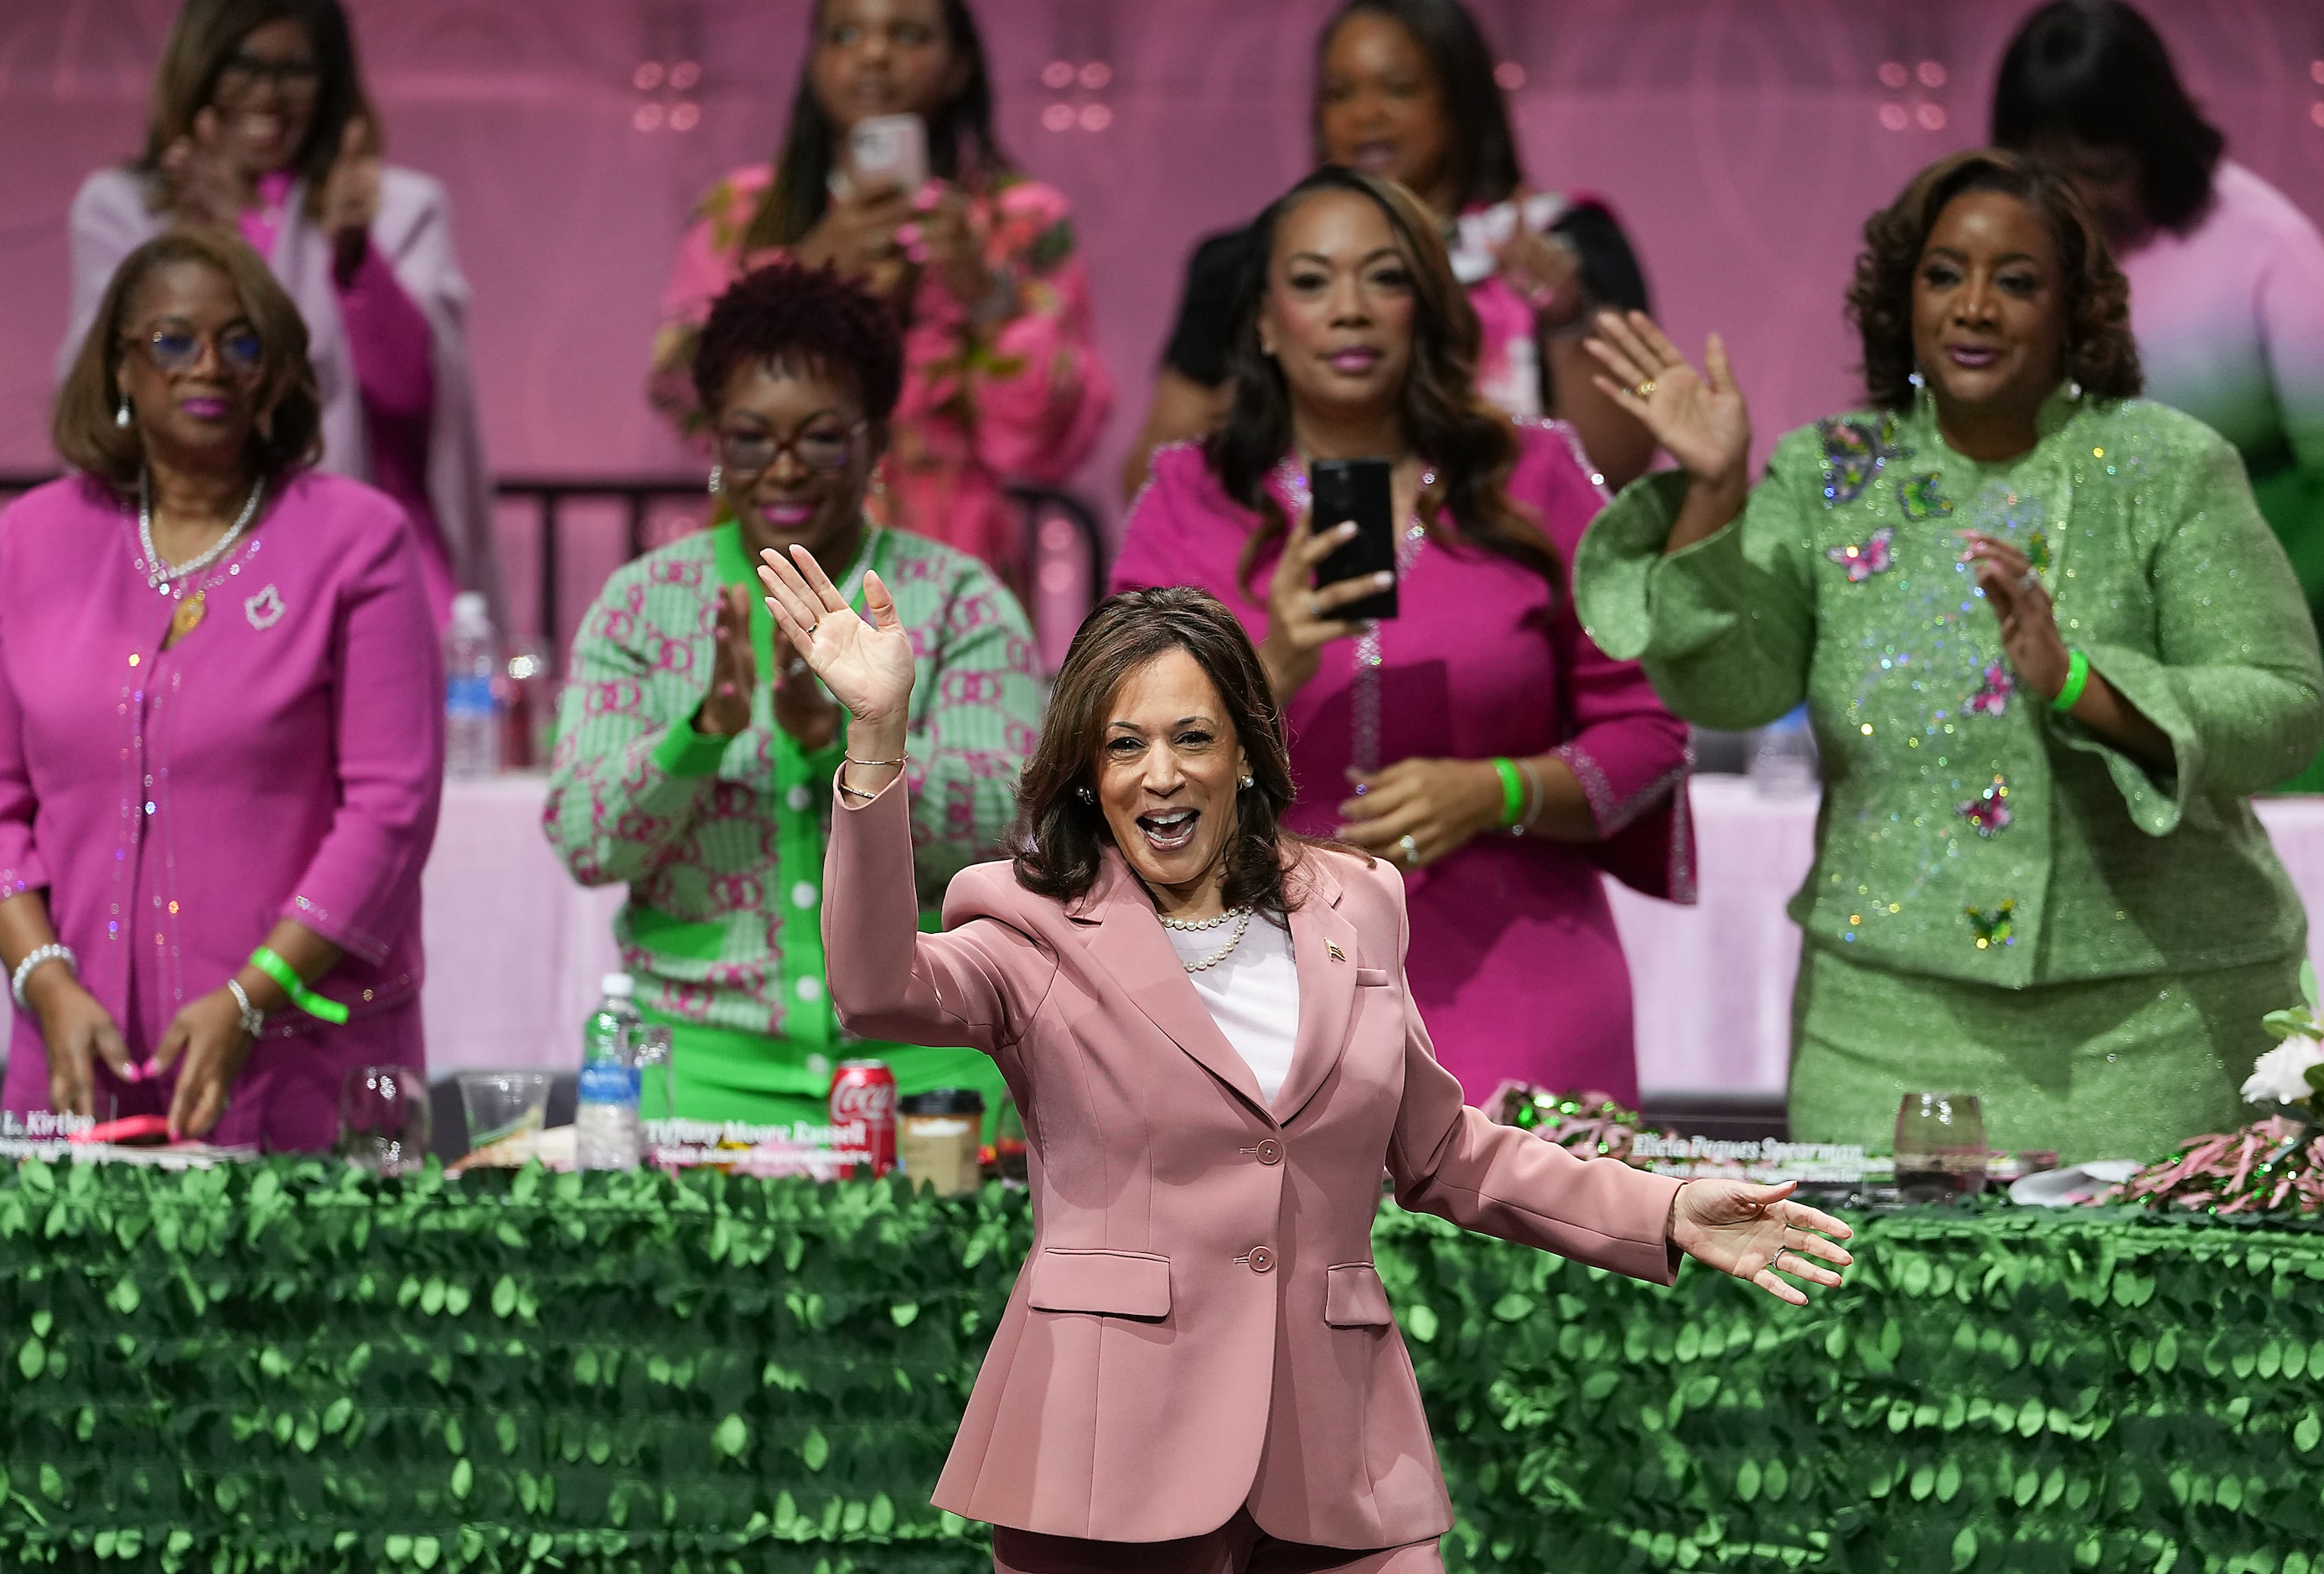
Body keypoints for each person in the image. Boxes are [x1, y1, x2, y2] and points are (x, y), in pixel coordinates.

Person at [763, 557, 1850, 1570]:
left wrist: (1663, 1209)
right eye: (1123, 745)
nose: (1160, 775)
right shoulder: (1029, 924)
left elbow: (1443, 1151)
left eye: (1191, 736)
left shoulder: (1354, 902)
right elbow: (874, 985)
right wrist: (875, 736)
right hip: (1109, 1455)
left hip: (1338, 1457)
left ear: (1244, 749)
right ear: (1087, 774)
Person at [1574, 148, 2324, 1162]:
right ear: (1903, 297)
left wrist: (2080, 685)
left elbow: (2282, 707)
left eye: (2015, 281)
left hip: (2158, 1024)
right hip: (1886, 1032)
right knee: (1891, 1323)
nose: (1973, 306)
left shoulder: (2168, 467)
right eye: (1943, 275)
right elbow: (1730, 685)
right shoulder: (1830, 470)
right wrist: (1711, 489)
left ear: (2072, 311)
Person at [1113, 168, 1690, 1109]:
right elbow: (1113, 752)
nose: (1349, 310)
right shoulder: (1187, 497)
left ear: (1426, 308)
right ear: (1261, 321)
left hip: (1519, 989)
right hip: (1244, 989)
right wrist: (1270, 666)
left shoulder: (1535, 475)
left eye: (1383, 279)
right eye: (1310, 283)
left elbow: (1647, 735)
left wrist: (1494, 789)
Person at [0, 227, 442, 1149]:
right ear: (119, 368)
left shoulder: (357, 540)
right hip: (76, 1058)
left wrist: (250, 996)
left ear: (275, 372)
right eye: (174, 341)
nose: (210, 366)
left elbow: (392, 808)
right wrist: (47, 983)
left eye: (243, 341)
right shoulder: (32, 540)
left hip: (305, 1059)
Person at [549, 261, 1040, 1127]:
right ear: (713, 443)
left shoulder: (956, 600)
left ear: (875, 443)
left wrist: (859, 747)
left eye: (820, 437)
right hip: (696, 1079)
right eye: (749, 438)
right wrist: (698, 736)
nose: (782, 468)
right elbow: (590, 843)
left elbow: (1020, 828)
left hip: (932, 1071)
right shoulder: (642, 603)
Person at [64, 0, 501, 630]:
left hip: (372, 553)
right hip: (185, 544)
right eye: (244, 65)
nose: (268, 95)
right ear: (199, 68)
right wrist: (230, 234)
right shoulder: (123, 209)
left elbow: (411, 395)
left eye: (295, 71)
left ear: (331, 81)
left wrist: (355, 259)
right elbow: (102, 396)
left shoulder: (395, 208)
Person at [651, 0, 1112, 588]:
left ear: (958, 66)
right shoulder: (741, 213)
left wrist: (987, 298)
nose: (873, 55)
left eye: (909, 34)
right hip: (775, 540)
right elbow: (684, 398)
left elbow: (1046, 443)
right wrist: (803, 268)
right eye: (845, 34)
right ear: (815, 60)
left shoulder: (1019, 222)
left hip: (950, 563)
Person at [1121, 0, 1655, 499]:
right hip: (1303, 574)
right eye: (1340, 93)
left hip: (1520, 556)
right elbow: (1146, 485)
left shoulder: (1566, 244)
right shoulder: (1251, 263)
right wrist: (1238, 422)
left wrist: (1567, 321)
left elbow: (1617, 468)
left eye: (1398, 89)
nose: (1366, 115)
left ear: (1460, 101)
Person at [1993, 0, 2324, 788]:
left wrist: (2238, 623)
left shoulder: (2266, 247)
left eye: (2103, 172)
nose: (2082, 200)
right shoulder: (2018, 250)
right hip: (2068, 661)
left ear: (2157, 144)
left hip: (2248, 663)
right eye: (2053, 173)